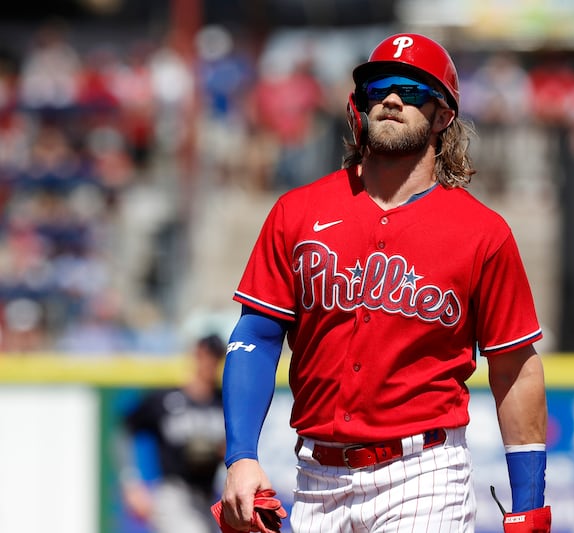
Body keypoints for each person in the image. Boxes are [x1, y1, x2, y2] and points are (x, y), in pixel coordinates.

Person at [217, 33, 551, 533]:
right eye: (380, 88)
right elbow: (256, 338)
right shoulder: (298, 212)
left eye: (414, 90)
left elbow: (515, 369)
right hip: (315, 477)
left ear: (444, 116)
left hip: (425, 473)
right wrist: (241, 455)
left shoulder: (483, 233)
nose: (393, 99)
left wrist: (529, 500)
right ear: (359, 106)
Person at [118, 334, 227, 533]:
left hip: (207, 497)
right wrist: (130, 483)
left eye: (216, 356)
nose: (210, 361)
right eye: (206, 354)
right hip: (173, 496)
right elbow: (124, 430)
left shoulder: (223, 402)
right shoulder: (165, 399)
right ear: (196, 355)